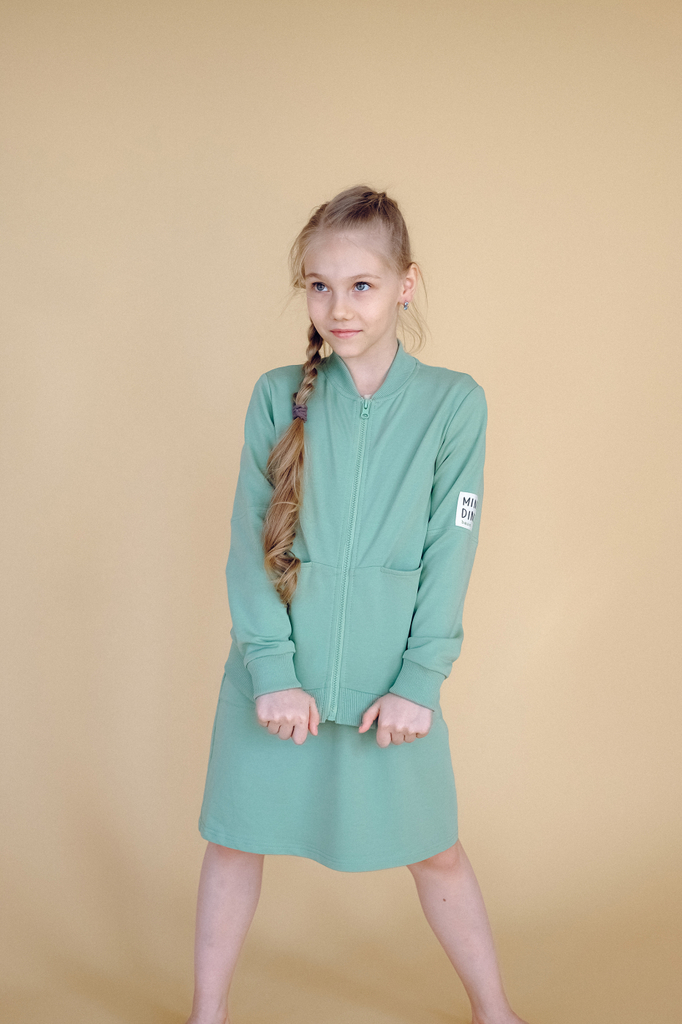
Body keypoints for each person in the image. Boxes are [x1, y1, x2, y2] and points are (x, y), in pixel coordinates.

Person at [187, 186, 530, 1024]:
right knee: (233, 842)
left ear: (406, 285)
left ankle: (496, 1012)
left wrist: (420, 681)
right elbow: (247, 544)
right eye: (320, 286)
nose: (339, 308)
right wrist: (271, 670)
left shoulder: (454, 403)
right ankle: (206, 1014)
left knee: (437, 854)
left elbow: (453, 547)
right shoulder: (277, 396)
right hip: (274, 683)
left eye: (362, 286)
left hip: (390, 689)